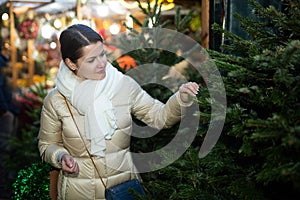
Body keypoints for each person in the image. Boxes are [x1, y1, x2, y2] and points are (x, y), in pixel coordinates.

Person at [38, 24, 199, 200]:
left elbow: (160, 117)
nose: (102, 64)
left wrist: (180, 99)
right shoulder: (56, 100)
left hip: (124, 188)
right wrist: (60, 156)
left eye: (102, 54)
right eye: (91, 60)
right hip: (78, 192)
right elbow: (46, 145)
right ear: (71, 63)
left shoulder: (123, 85)